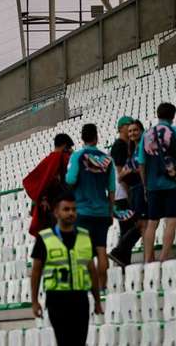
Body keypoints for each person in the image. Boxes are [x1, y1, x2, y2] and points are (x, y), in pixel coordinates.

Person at [30, 191, 103, 346]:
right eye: (66, 209)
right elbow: (36, 272)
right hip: (57, 299)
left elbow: (92, 270)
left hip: (80, 298)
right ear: (56, 212)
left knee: (79, 342)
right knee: (65, 342)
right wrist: (35, 301)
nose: (71, 213)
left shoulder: (85, 236)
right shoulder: (44, 238)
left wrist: (97, 300)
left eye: (74, 209)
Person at [137, 103, 176, 263]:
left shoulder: (146, 135)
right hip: (172, 183)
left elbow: (141, 162)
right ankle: (163, 258)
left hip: (153, 184)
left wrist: (145, 185)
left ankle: (148, 259)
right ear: (173, 116)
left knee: (152, 222)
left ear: (157, 114)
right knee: (171, 220)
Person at [65, 123, 115, 290]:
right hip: (102, 211)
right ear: (96, 137)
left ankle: (90, 286)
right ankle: (103, 286)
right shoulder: (107, 159)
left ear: (82, 138)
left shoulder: (77, 156)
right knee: (102, 249)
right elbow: (112, 188)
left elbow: (70, 180)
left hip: (83, 211)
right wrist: (110, 211)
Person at [108, 118, 146, 267]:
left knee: (128, 227)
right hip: (122, 194)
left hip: (121, 194)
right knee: (132, 226)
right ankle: (119, 252)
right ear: (122, 128)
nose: (130, 130)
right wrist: (129, 192)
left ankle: (123, 260)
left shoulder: (127, 146)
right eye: (128, 127)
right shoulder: (120, 145)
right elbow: (119, 173)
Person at [23, 133, 75, 236]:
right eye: (69, 147)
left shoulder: (47, 160)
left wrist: (42, 198)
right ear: (65, 146)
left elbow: (32, 182)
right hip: (60, 207)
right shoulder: (61, 157)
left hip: (49, 209)